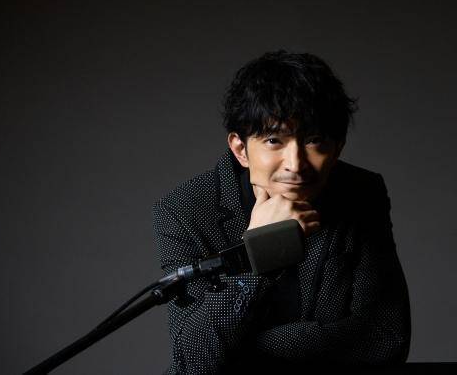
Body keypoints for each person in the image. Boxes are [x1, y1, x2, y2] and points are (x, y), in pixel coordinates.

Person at [153, 50, 410, 374]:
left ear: (338, 147)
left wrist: (243, 351)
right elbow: (193, 362)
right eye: (274, 140)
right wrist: (260, 250)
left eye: (314, 140)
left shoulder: (360, 192)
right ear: (240, 149)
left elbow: (386, 337)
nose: (296, 164)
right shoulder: (185, 209)